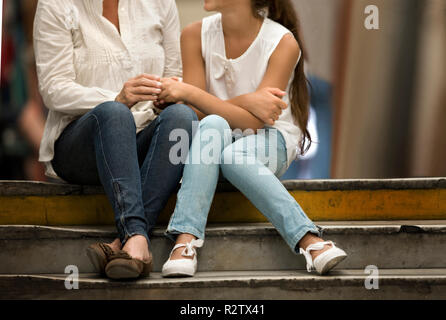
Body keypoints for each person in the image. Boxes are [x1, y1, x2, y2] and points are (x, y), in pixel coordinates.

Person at [158, 0, 347, 277]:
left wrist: (188, 92)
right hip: (211, 144)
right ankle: (185, 239)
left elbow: (254, 123)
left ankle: (309, 239)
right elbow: (195, 115)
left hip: (269, 141)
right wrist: (246, 100)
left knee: (233, 155)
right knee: (212, 123)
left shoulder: (283, 42)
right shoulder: (193, 35)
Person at [33, 0, 200, 279]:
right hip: (81, 143)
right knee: (114, 112)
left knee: (182, 117)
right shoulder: (56, 4)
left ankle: (130, 244)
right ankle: (136, 230)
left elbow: (176, 76)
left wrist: (165, 97)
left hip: (142, 137)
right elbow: (53, 89)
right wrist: (116, 98)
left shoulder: (160, 3)